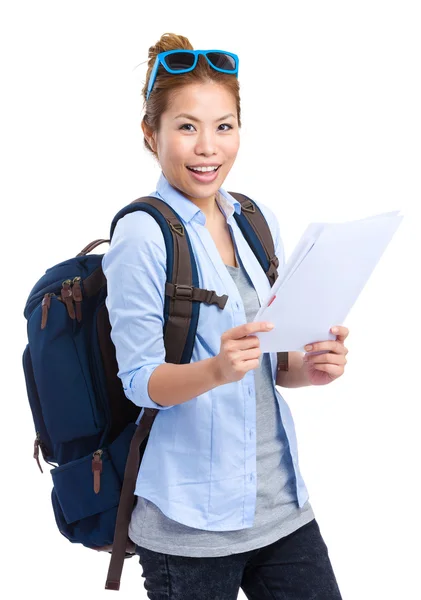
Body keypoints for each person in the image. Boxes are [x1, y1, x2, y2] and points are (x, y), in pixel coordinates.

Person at [102, 32, 349, 600]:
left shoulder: (254, 221)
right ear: (150, 134)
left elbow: (266, 365)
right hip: (188, 529)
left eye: (224, 126)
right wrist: (214, 370)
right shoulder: (142, 234)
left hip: (281, 508)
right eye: (186, 127)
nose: (208, 147)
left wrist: (307, 368)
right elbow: (141, 382)